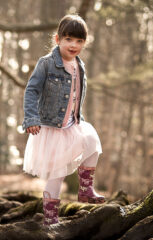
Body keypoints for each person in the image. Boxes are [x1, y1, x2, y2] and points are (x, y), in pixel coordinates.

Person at [22, 14, 105, 226]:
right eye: (69, 39)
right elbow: (31, 90)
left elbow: (76, 94)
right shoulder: (47, 64)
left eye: (79, 41)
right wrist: (31, 117)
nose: (74, 45)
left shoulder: (80, 64)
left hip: (73, 123)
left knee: (93, 144)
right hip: (51, 127)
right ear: (57, 39)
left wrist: (78, 117)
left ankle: (85, 189)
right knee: (57, 175)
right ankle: (51, 219)